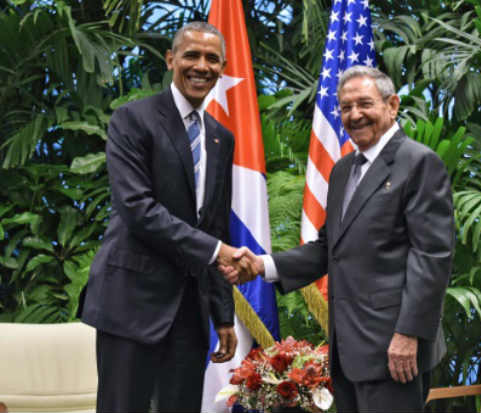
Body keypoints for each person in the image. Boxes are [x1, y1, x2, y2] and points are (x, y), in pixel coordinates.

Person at [221, 65, 454, 413]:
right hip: (348, 350)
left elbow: (432, 257)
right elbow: (331, 249)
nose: (355, 115)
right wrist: (261, 265)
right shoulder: (344, 170)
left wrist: (410, 335)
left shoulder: (419, 163)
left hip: (395, 350)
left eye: (365, 104)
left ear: (392, 105)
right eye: (346, 107)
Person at [77, 22, 252, 412]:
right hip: (130, 304)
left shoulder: (221, 138)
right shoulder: (132, 119)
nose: (201, 66)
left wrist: (223, 314)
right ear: (171, 59)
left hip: (189, 312)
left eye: (212, 59)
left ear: (222, 67)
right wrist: (216, 249)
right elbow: (139, 210)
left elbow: (215, 225)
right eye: (191, 55)